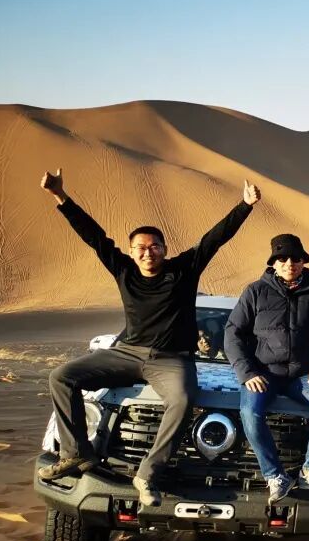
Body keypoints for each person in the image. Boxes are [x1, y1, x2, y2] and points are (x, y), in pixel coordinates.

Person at [37, 168, 259, 508]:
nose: (148, 252)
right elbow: (94, 236)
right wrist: (60, 196)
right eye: (140, 247)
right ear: (131, 251)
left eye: (154, 246)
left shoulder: (183, 270)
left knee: (182, 399)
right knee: (61, 377)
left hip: (171, 359)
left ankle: (148, 474)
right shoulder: (123, 270)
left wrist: (245, 206)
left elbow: (214, 239)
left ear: (165, 249)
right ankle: (77, 452)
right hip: (127, 353)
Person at [224, 234, 309, 503]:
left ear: (303, 261)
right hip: (263, 374)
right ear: (274, 263)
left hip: (303, 376)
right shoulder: (255, 291)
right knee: (250, 412)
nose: (290, 263)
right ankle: (275, 476)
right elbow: (232, 334)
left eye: (295, 258)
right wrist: (248, 372)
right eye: (283, 258)